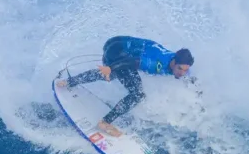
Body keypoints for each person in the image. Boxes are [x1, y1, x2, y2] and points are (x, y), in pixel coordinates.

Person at [56, 35, 194, 137]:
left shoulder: (180, 63)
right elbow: (131, 62)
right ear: (174, 62)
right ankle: (105, 122)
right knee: (137, 94)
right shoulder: (155, 63)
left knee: (114, 75)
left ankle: (69, 82)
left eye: (185, 70)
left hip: (118, 43)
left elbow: (188, 76)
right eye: (180, 69)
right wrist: (110, 67)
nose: (182, 73)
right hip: (116, 51)